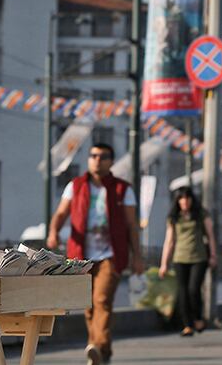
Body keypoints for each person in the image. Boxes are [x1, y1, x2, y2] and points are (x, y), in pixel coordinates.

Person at [48, 143, 144, 365]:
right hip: (81, 254)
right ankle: (102, 352)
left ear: (111, 161)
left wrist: (137, 256)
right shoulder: (76, 186)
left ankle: (97, 347)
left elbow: (131, 225)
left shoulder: (122, 189)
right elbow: (61, 212)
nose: (97, 160)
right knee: (88, 306)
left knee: (102, 300)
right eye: (93, 156)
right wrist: (53, 232)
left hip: (111, 253)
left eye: (103, 156)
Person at [158, 187, 217, 336]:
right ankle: (187, 324)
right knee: (182, 292)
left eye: (187, 198)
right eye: (181, 199)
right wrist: (164, 263)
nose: (185, 202)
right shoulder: (174, 217)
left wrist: (213, 255)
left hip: (199, 257)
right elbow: (169, 241)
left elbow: (210, 236)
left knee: (193, 289)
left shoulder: (201, 214)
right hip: (180, 258)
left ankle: (198, 317)